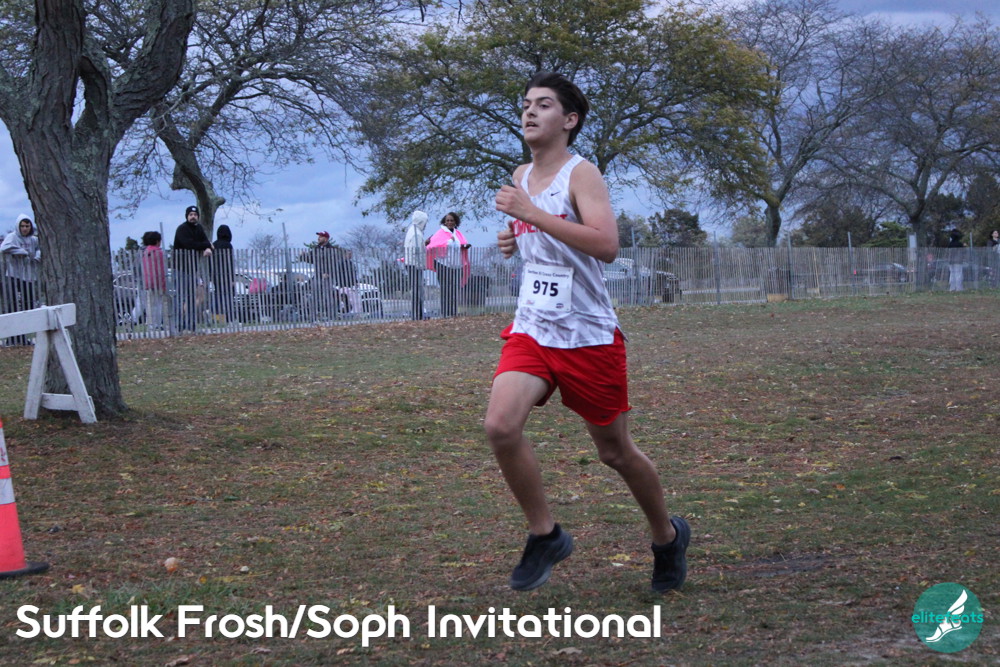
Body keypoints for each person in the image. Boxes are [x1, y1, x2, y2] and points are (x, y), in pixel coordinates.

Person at [486, 72, 688, 593]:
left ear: (569, 120)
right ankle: (545, 534)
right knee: (501, 426)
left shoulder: (583, 174)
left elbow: (605, 245)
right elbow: (540, 239)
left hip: (587, 334)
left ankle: (667, 537)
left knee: (614, 452)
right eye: (526, 104)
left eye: (543, 105)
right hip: (534, 326)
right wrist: (514, 238)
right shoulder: (521, 174)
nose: (529, 112)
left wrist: (531, 214)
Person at [1, 214, 41, 345]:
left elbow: (40, 248)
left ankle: (24, 336)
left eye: (27, 226)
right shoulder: (12, 237)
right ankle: (13, 337)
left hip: (28, 276)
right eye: (22, 226)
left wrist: (37, 256)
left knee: (28, 305)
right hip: (13, 275)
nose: (24, 228)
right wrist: (21, 252)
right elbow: (4, 247)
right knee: (12, 305)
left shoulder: (34, 239)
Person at [173, 205, 213, 332]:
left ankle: (191, 325)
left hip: (192, 269)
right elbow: (189, 244)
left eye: (195, 215)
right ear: (187, 216)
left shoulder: (199, 228)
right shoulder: (182, 229)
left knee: (191, 298)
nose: (193, 217)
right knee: (180, 297)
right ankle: (179, 325)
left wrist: (208, 247)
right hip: (180, 268)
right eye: (190, 215)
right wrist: (206, 245)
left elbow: (206, 242)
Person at [426, 212, 470, 317]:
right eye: (448, 220)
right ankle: (445, 312)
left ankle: (453, 312)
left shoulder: (458, 234)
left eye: (452, 220)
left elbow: (461, 244)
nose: (449, 222)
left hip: (456, 265)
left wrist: (463, 246)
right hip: (443, 264)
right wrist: (449, 242)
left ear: (455, 222)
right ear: (444, 222)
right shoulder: (440, 233)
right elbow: (432, 246)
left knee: (455, 289)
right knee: (445, 289)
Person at [300, 231, 339, 319]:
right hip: (317, 276)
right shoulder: (316, 249)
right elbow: (310, 259)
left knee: (328, 296)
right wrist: (303, 256)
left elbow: (333, 263)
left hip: (327, 277)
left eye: (321, 237)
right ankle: (314, 317)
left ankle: (331, 316)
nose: (318, 238)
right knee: (314, 296)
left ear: (326, 239)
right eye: (319, 237)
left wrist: (328, 273)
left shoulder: (331, 250)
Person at [140, 231, 170, 332]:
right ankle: (158, 324)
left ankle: (151, 324)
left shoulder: (145, 252)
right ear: (157, 241)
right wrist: (164, 283)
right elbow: (162, 269)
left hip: (148, 281)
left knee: (151, 304)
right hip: (158, 282)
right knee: (159, 304)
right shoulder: (159, 253)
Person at [404, 210, 428, 320]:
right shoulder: (417, 234)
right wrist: (421, 265)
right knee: (418, 291)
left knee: (416, 290)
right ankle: (418, 314)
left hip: (410, 264)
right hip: (415, 265)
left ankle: (417, 314)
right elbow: (416, 252)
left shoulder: (412, 230)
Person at [211, 224, 236, 325]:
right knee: (228, 297)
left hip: (216, 275)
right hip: (226, 275)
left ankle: (217, 319)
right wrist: (232, 278)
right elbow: (230, 263)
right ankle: (229, 319)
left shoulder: (214, 245)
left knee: (218, 297)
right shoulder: (228, 246)